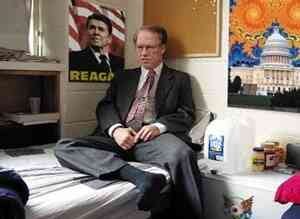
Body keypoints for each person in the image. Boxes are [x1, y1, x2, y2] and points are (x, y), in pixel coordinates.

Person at [56, 25, 203, 219]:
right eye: (140, 47)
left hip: (153, 140)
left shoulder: (180, 79)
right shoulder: (122, 76)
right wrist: (116, 130)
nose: (143, 53)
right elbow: (105, 106)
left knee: (182, 154)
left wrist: (158, 127)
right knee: (64, 146)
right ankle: (137, 176)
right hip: (119, 137)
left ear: (162, 49)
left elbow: (186, 114)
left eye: (150, 47)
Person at [69, 13, 124, 82]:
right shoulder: (73, 59)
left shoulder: (121, 63)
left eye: (101, 29)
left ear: (109, 38)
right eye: (92, 28)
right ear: (86, 33)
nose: (96, 32)